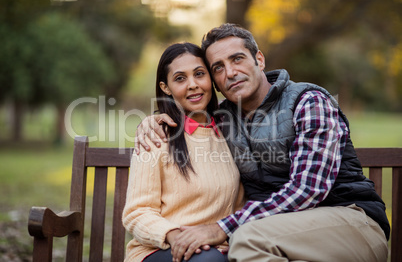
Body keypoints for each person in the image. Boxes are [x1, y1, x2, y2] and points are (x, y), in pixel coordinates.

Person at [134, 24, 390, 262]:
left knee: (246, 240)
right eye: (218, 68)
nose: (231, 72)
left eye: (237, 59)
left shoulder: (308, 102)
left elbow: (308, 189)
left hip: (349, 221)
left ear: (259, 59)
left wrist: (222, 228)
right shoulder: (224, 121)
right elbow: (191, 124)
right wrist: (152, 123)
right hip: (278, 233)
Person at [122, 42, 244, 262]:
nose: (193, 85)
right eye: (180, 78)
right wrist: (176, 236)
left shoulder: (230, 134)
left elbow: (238, 208)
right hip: (159, 250)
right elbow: (137, 213)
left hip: (218, 250)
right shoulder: (157, 136)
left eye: (199, 74)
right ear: (166, 87)